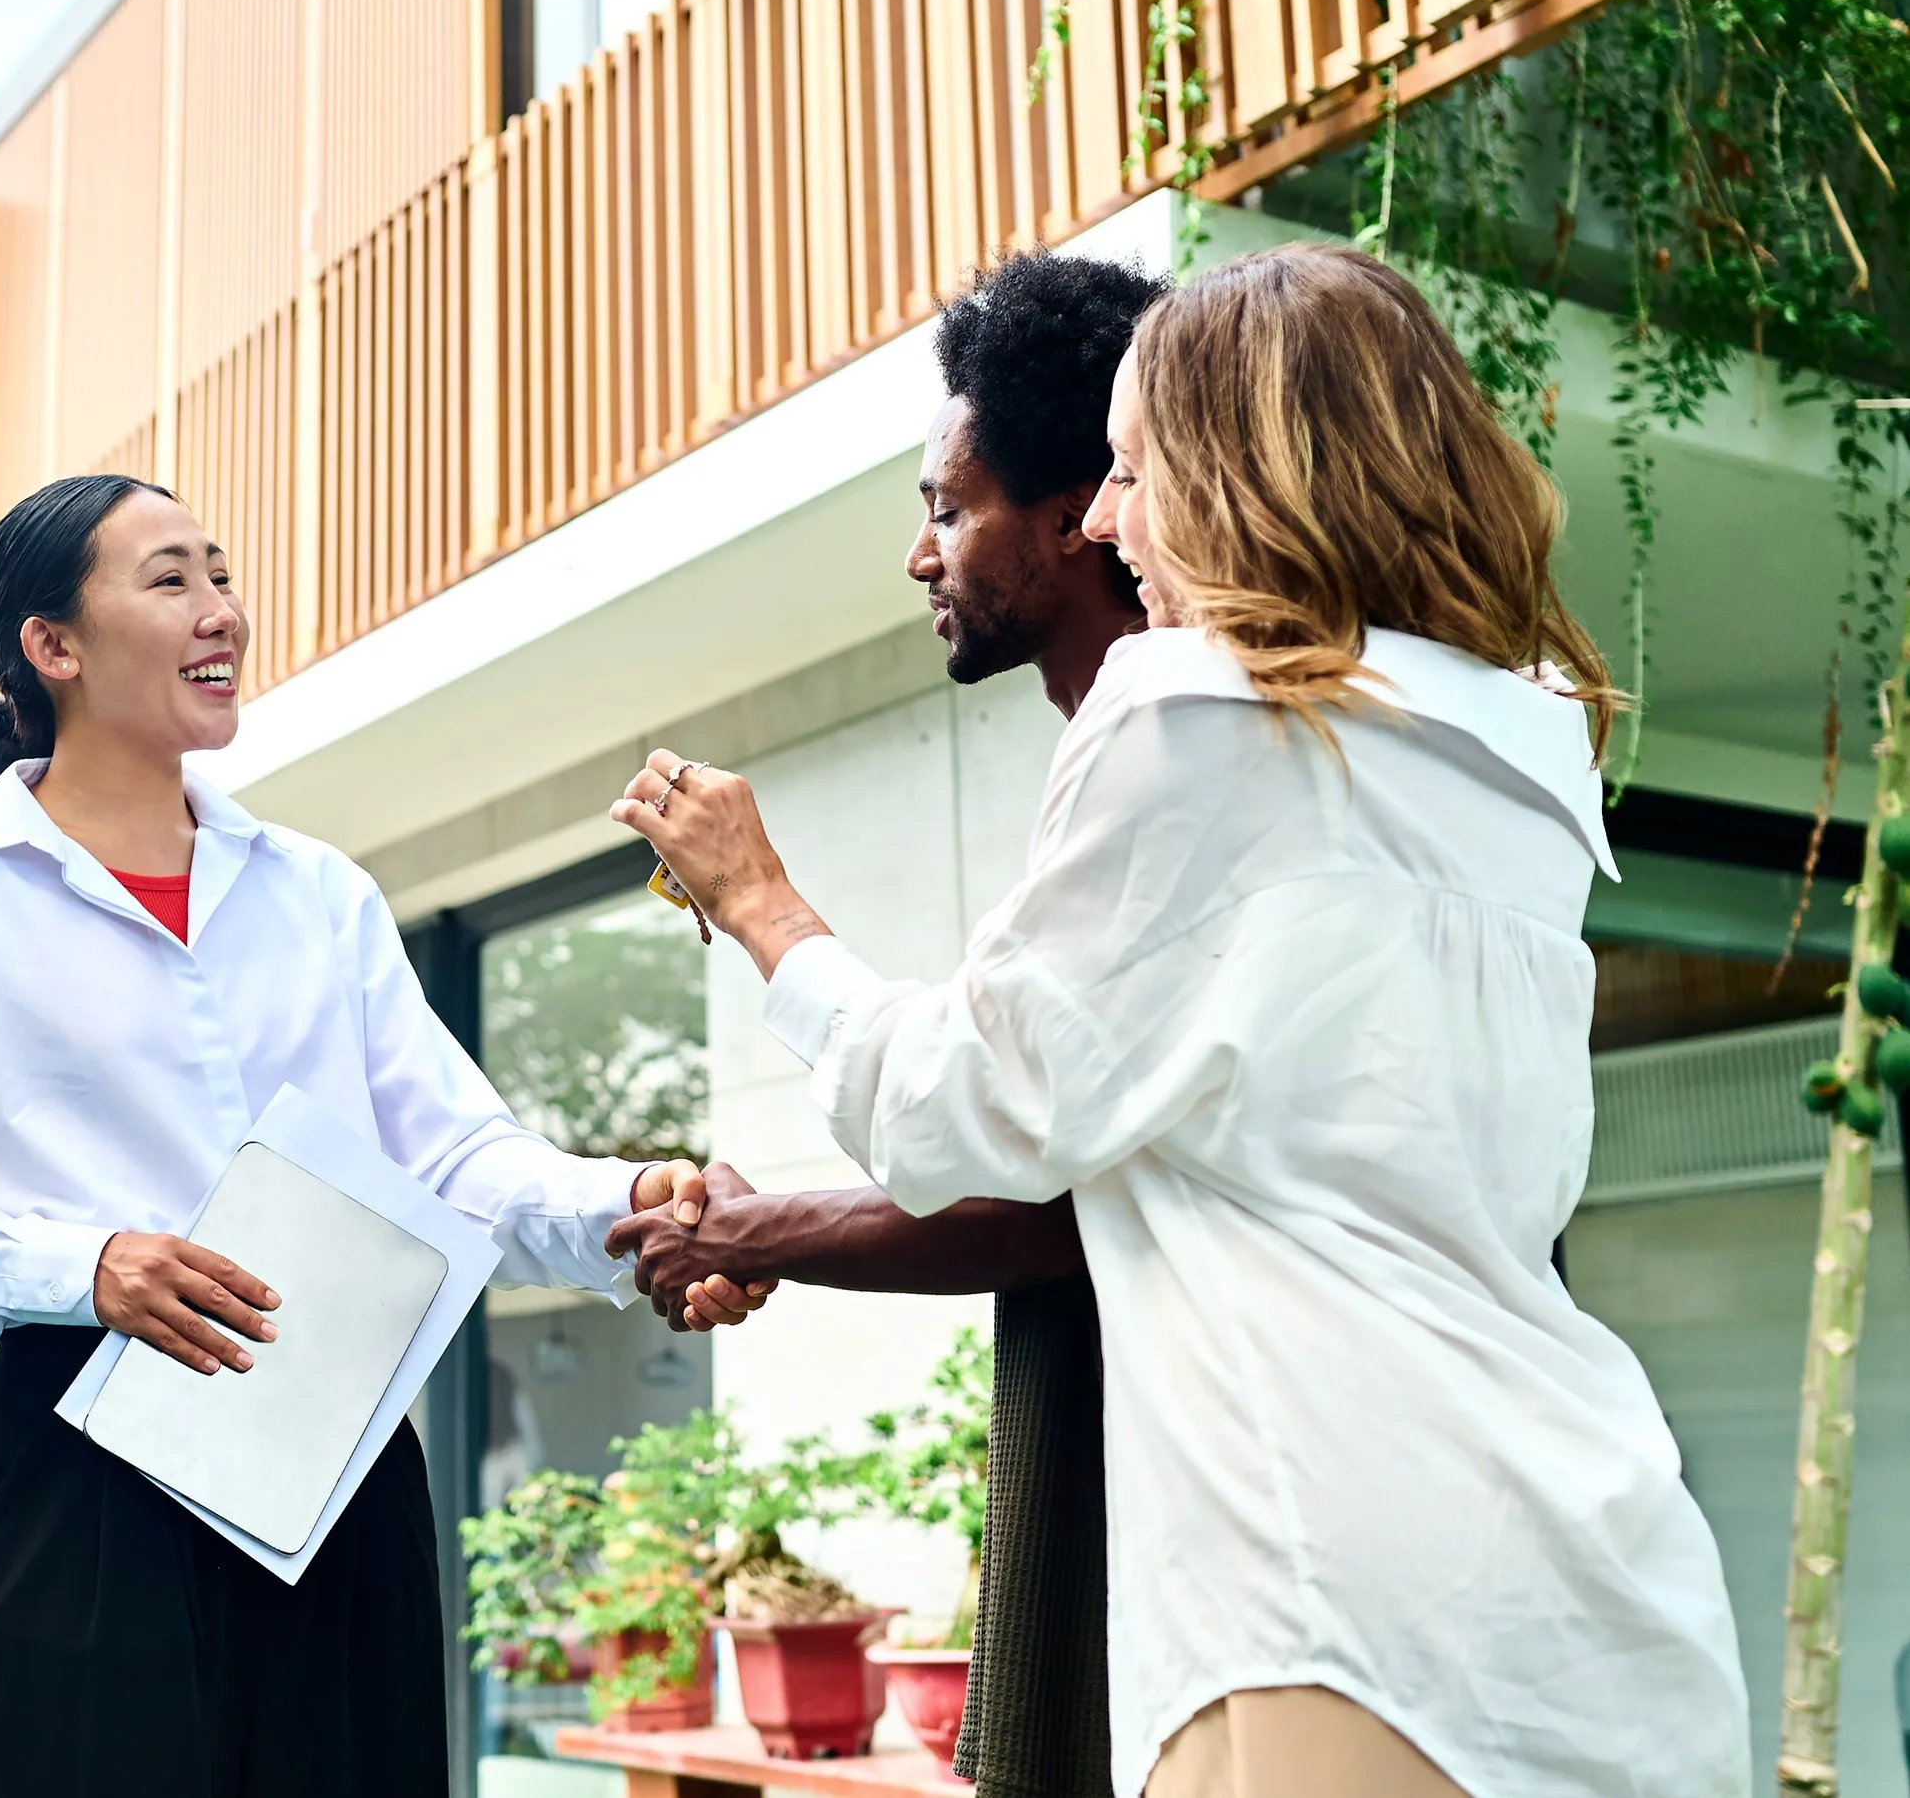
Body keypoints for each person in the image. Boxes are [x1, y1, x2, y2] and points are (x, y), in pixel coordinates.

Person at [613, 245, 1748, 1797]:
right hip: (1601, 1575)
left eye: (1134, 471)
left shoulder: (1186, 718)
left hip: (1330, 1596)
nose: (1106, 516)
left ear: (1243, 476)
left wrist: (759, 905)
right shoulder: (1525, 762)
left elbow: (958, 1111)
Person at [0, 474, 719, 1798]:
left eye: (221, 574)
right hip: (86, 1476)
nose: (222, 611)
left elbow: (450, 1163)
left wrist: (633, 1200)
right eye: (170, 581)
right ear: (54, 647)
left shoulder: (319, 892)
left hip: (339, 1459)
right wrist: (83, 1268)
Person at [609, 245, 1168, 1798]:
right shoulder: (1123, 758)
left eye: (946, 506)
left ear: (1084, 513)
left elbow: (993, 1166)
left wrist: (756, 899)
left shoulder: (1180, 753)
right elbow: (1037, 1188)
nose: (921, 557)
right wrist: (751, 1229)